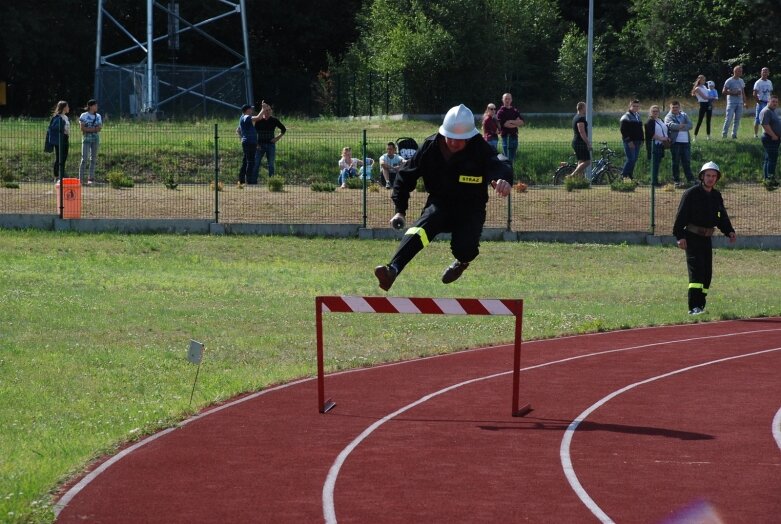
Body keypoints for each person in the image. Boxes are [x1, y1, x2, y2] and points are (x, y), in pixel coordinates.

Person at [373, 104, 513, 291]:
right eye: (451, 138)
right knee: (419, 230)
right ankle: (392, 270)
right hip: (440, 204)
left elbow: (501, 162)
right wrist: (400, 210)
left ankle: (461, 262)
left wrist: (503, 179)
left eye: (460, 139)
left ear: (470, 137)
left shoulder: (479, 147)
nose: (454, 143)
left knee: (465, 249)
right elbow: (405, 176)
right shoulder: (430, 147)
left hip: (471, 208)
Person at [673, 161, 736, 315]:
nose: (710, 179)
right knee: (697, 272)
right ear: (702, 176)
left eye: (714, 176)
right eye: (708, 175)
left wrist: (729, 231)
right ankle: (693, 307)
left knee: (707, 274)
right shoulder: (691, 194)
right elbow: (680, 217)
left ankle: (701, 305)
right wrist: (680, 236)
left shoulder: (716, 195)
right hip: (692, 237)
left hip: (707, 239)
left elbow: (721, 216)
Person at [251, 101, 286, 183]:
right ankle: (253, 182)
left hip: (271, 145)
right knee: (256, 164)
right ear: (263, 111)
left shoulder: (274, 120)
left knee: (271, 165)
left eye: (270, 110)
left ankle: (272, 182)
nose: (269, 111)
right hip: (260, 145)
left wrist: (277, 138)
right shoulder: (258, 121)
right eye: (266, 110)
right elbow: (254, 133)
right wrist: (256, 144)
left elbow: (283, 129)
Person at [665, 101, 695, 187]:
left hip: (686, 142)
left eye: (676, 107)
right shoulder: (668, 116)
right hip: (676, 143)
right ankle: (676, 180)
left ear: (679, 107)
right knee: (676, 162)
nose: (675, 109)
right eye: (673, 108)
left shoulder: (684, 115)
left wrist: (680, 126)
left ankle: (690, 179)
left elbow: (690, 125)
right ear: (670, 108)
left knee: (686, 161)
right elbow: (670, 126)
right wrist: (681, 126)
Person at [236, 104, 264, 186]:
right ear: (247, 110)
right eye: (250, 109)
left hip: (248, 142)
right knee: (251, 161)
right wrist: (263, 109)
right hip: (249, 142)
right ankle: (249, 181)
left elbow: (238, 130)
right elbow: (258, 118)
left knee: (246, 161)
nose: (252, 110)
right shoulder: (246, 117)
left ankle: (241, 180)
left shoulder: (242, 118)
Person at [645, 105, 671, 186]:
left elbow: (664, 130)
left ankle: (655, 181)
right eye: (653, 111)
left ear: (659, 112)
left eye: (657, 111)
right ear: (650, 112)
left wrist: (667, 138)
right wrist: (661, 138)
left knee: (657, 163)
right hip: (654, 145)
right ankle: (654, 182)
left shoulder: (660, 120)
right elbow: (650, 134)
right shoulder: (650, 121)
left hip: (661, 145)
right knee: (654, 164)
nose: (655, 113)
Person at [78, 99, 102, 185]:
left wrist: (89, 130)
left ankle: (90, 178)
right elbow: (82, 128)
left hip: (95, 140)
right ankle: (80, 179)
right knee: (84, 158)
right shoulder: (83, 115)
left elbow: (99, 128)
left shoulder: (98, 116)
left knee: (93, 159)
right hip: (86, 140)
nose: (97, 107)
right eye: (95, 105)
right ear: (91, 106)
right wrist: (93, 129)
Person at [496, 93, 524, 165]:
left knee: (513, 158)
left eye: (509, 98)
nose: (507, 100)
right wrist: (516, 123)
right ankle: (507, 174)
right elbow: (506, 125)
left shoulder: (515, 110)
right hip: (507, 137)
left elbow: (521, 122)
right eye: (506, 99)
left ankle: (511, 173)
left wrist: (511, 121)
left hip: (515, 137)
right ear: (503, 100)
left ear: (511, 100)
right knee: (507, 159)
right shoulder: (500, 112)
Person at [619, 99, 644, 179]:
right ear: (630, 106)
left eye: (637, 106)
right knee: (631, 159)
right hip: (630, 142)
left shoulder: (638, 116)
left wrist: (642, 140)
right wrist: (628, 141)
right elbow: (623, 130)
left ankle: (630, 177)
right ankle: (622, 176)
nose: (636, 107)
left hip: (637, 141)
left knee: (634, 160)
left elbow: (640, 129)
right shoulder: (626, 116)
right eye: (634, 106)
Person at [759, 94, 780, 180]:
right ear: (768, 101)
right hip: (770, 138)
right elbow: (765, 125)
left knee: (768, 159)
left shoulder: (772, 111)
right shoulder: (766, 111)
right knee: (772, 160)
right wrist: (774, 135)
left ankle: (767, 178)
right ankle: (770, 179)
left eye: (776, 102)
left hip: (773, 138)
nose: (775, 103)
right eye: (773, 101)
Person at [721, 65, 746, 139]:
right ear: (735, 71)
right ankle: (724, 134)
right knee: (728, 119)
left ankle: (734, 134)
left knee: (737, 120)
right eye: (739, 71)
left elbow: (743, 92)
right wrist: (733, 93)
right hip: (731, 103)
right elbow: (723, 92)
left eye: (741, 71)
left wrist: (745, 102)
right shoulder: (729, 80)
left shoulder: (741, 80)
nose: (740, 72)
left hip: (740, 103)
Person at [570, 101, 591, 179]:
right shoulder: (580, 119)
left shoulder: (576, 117)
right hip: (580, 143)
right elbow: (581, 132)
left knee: (581, 162)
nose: (586, 109)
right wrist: (588, 143)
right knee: (587, 162)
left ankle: (578, 182)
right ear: (582, 108)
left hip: (577, 142)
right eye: (585, 108)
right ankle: (572, 176)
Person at [50, 101, 71, 180]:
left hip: (66, 138)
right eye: (67, 106)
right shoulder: (57, 117)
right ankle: (57, 175)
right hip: (59, 138)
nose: (68, 108)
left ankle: (61, 172)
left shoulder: (65, 117)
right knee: (59, 157)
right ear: (64, 107)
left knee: (64, 156)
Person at [691, 75, 715, 140]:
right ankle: (695, 136)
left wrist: (712, 101)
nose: (704, 81)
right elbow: (704, 97)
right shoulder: (697, 88)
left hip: (708, 104)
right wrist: (712, 97)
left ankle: (708, 136)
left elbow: (708, 94)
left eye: (704, 80)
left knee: (708, 120)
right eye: (703, 80)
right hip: (702, 104)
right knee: (700, 120)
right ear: (699, 80)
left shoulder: (704, 87)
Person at [752, 67, 773, 139]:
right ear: (761, 73)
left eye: (766, 72)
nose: (765, 73)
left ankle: (766, 133)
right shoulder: (758, 82)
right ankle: (755, 135)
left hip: (768, 103)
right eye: (763, 71)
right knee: (758, 119)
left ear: (768, 73)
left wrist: (771, 102)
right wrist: (759, 102)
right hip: (761, 102)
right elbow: (754, 94)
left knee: (767, 119)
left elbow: (770, 93)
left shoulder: (769, 82)